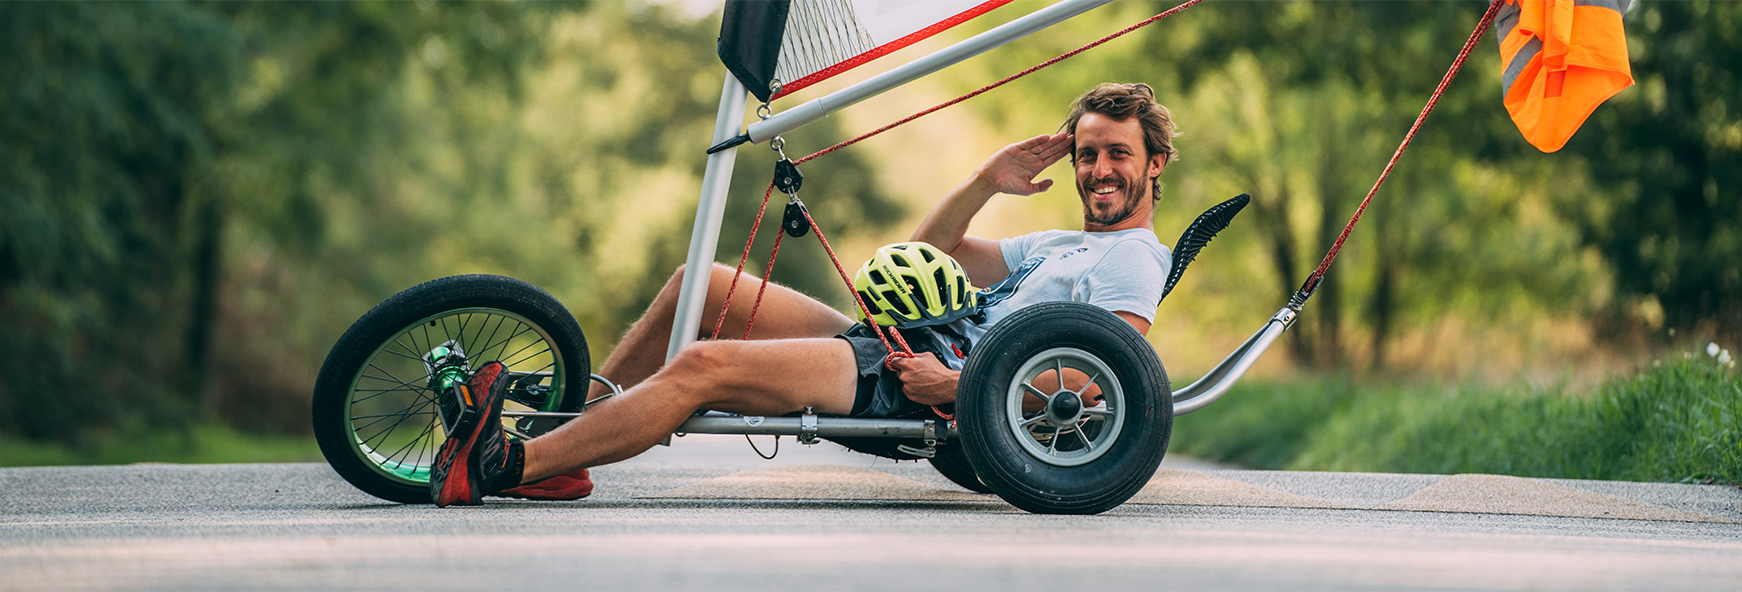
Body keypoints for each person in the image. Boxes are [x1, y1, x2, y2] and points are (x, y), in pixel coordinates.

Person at [430, 82, 1180, 506]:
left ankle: (506, 466)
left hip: (929, 386)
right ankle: (576, 442)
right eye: (1088, 153)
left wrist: (954, 384)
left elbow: (1101, 384)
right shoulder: (1057, 245)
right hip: (909, 344)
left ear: (1154, 166)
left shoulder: (1133, 262)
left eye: (1119, 153)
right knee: (703, 283)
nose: (1098, 169)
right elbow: (933, 252)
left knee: (704, 368)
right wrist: (985, 181)